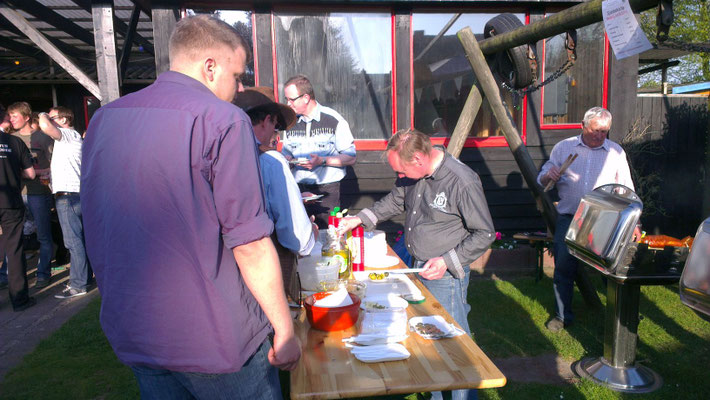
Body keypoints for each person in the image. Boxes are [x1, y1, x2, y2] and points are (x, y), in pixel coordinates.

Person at [81, 15, 300, 399]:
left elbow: (98, 221)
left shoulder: (103, 120)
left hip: (138, 327)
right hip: (214, 337)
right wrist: (284, 330)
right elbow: (249, 243)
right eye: (237, 76)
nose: (239, 88)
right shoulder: (224, 120)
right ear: (210, 67)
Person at [339, 128, 494, 400]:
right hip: (417, 265)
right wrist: (358, 219)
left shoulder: (461, 181)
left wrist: (447, 261)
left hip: (445, 275)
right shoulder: (412, 174)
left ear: (419, 159)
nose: (399, 177)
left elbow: (485, 233)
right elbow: (394, 200)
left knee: (455, 343)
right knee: (427, 338)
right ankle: (437, 393)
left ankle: (463, 396)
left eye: (401, 171)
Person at [538, 107, 635, 333]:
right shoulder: (564, 148)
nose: (599, 135)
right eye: (595, 130)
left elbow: (626, 189)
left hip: (604, 220)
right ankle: (562, 316)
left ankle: (617, 319)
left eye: (604, 131)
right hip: (570, 217)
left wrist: (634, 223)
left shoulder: (616, 152)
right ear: (583, 125)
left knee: (609, 269)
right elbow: (542, 179)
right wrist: (549, 175)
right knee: (563, 267)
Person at [233, 86, 318, 302]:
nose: (276, 135)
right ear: (266, 120)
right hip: (267, 283)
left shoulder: (221, 155)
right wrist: (312, 235)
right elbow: (297, 238)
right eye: (276, 126)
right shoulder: (272, 161)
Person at [281, 75, 356, 228]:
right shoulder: (290, 123)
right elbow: (285, 154)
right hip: (298, 190)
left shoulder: (333, 120)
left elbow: (350, 157)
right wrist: (287, 160)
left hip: (327, 192)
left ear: (306, 98)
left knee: (327, 235)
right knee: (300, 236)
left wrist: (322, 161)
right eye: (286, 99)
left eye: (291, 99)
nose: (288, 104)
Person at [37, 107, 90, 299]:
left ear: (64, 120)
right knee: (80, 240)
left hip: (67, 197)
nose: (50, 120)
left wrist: (42, 115)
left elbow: (44, 126)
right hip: (75, 194)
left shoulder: (66, 135)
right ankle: (85, 279)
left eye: (53, 118)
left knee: (73, 242)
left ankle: (78, 285)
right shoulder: (73, 138)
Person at [7, 102, 54, 288]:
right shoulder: (10, 139)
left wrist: (37, 172)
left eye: (15, 116)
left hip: (38, 193)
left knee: (43, 235)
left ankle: (43, 274)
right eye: (10, 116)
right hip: (17, 194)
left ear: (27, 117)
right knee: (14, 237)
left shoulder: (43, 137)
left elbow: (55, 164)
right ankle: (6, 275)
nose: (11, 120)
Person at [0, 105, 37, 310]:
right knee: (14, 249)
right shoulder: (15, 142)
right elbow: (31, 174)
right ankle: (20, 300)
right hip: (10, 203)